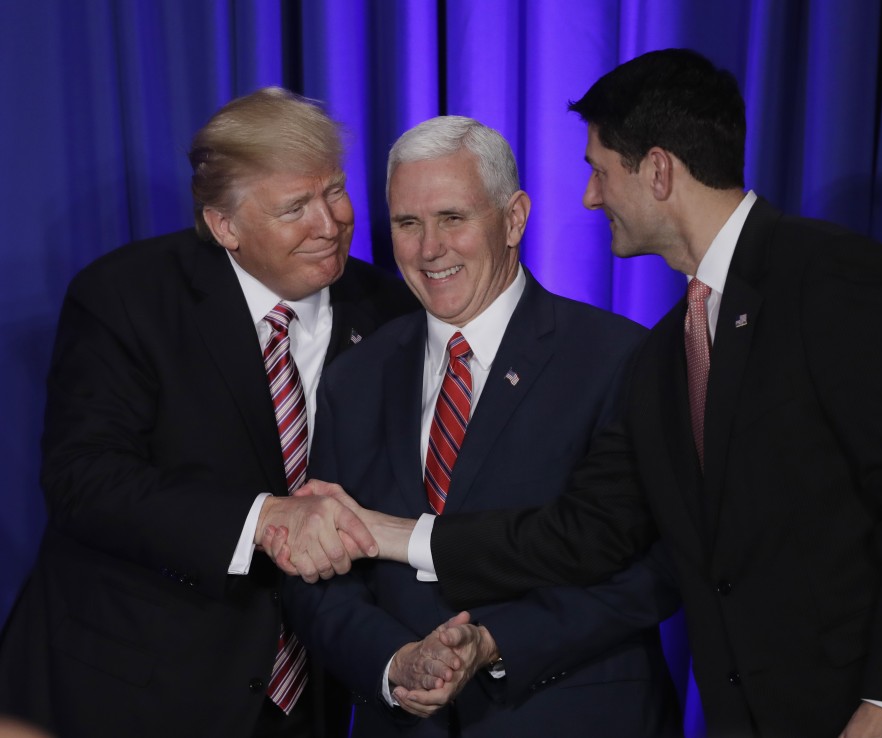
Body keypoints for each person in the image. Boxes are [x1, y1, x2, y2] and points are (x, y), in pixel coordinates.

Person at [267, 51, 882, 737]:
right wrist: (393, 648)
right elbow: (594, 532)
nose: (590, 196)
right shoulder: (670, 347)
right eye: (407, 224)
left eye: (598, 171)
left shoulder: (815, 282)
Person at [0, 87, 417, 738]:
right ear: (225, 225)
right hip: (132, 683)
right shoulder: (127, 298)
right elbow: (85, 479)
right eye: (294, 207)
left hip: (308, 694)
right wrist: (262, 519)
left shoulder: (391, 314)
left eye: (334, 191)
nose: (330, 223)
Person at [281, 116, 682, 737]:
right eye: (407, 224)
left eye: (452, 218)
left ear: (514, 218)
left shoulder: (618, 358)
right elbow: (321, 572)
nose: (429, 248)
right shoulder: (354, 377)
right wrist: (394, 662)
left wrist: (497, 643)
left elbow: (656, 568)